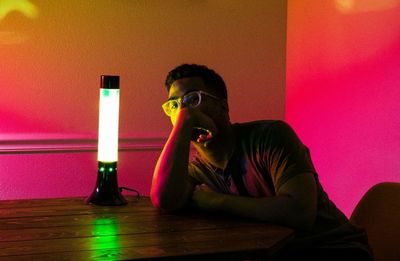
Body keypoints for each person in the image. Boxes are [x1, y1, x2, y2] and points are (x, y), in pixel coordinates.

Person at [150, 64, 373, 260]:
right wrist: (183, 125)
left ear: (223, 106)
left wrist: (216, 201)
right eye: (174, 105)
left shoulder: (270, 136)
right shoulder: (197, 170)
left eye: (192, 99)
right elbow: (164, 199)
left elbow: (299, 212)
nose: (183, 111)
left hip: (333, 249)